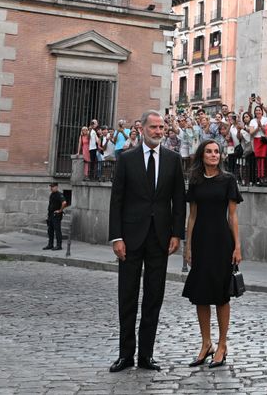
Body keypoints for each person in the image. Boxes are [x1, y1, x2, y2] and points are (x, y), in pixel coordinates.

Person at [108, 111, 186, 373]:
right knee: (127, 296)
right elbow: (116, 200)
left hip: (160, 239)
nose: (158, 131)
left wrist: (176, 234)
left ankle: (146, 355)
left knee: (154, 297)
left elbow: (179, 200)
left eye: (161, 127)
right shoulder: (127, 159)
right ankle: (125, 355)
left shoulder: (173, 160)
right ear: (141, 128)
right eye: (153, 127)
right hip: (129, 239)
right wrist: (116, 237)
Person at [182, 140, 243, 369]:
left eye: (217, 151)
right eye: (209, 151)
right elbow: (192, 216)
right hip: (200, 241)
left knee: (221, 294)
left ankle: (222, 344)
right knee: (201, 294)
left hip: (221, 242)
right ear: (202, 155)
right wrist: (188, 246)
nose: (213, 154)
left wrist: (237, 246)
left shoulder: (228, 180)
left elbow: (233, 216)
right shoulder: (196, 180)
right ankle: (205, 343)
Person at [43, 183, 67, 250]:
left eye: (53, 187)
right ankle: (50, 244)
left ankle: (59, 245)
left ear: (56, 187)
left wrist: (60, 210)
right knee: (50, 230)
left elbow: (64, 203)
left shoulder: (59, 194)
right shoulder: (51, 195)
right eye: (51, 187)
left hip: (56, 215)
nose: (51, 188)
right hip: (50, 214)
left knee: (57, 230)